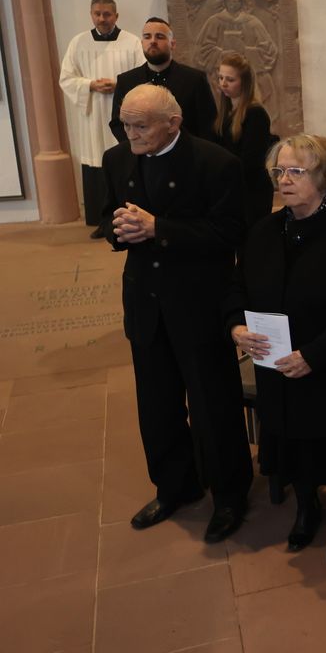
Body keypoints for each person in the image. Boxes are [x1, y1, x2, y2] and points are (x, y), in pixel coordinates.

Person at [101, 84, 252, 543]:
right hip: (145, 300)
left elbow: (230, 234)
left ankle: (229, 497)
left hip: (199, 303)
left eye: (140, 125)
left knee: (213, 406)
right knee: (157, 404)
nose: (131, 134)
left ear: (174, 122)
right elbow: (109, 216)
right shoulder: (117, 159)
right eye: (125, 125)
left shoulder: (216, 163)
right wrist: (119, 230)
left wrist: (157, 228)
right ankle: (175, 487)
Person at [227, 134, 326, 564]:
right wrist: (236, 326)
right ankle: (307, 507)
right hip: (279, 364)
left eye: (297, 171)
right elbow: (236, 288)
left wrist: (314, 355)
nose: (285, 180)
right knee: (293, 439)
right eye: (279, 172)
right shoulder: (264, 231)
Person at [59, 0, 145, 238]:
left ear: (116, 16)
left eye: (107, 14)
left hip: (124, 112)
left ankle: (129, 217)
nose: (102, 18)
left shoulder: (132, 42)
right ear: (91, 14)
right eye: (97, 13)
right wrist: (89, 84)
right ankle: (102, 220)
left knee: (124, 163)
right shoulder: (79, 42)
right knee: (97, 160)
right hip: (93, 113)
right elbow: (66, 77)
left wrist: (119, 83)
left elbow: (143, 74)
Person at [111, 18, 218, 143]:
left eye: (160, 37)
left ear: (172, 44)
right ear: (142, 43)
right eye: (147, 37)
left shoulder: (195, 79)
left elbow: (208, 124)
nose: (153, 41)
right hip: (141, 156)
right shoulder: (126, 81)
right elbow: (117, 123)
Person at [196, 0, 279, 119]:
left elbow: (269, 51)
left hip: (251, 82)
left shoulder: (253, 23)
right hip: (220, 82)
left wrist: (246, 52)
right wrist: (223, 55)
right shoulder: (214, 22)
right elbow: (202, 51)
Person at [213, 52, 275, 226]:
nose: (223, 84)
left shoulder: (256, 114)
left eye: (230, 80)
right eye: (221, 78)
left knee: (250, 248)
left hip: (252, 193)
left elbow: (250, 162)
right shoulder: (226, 113)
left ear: (245, 83)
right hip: (234, 190)